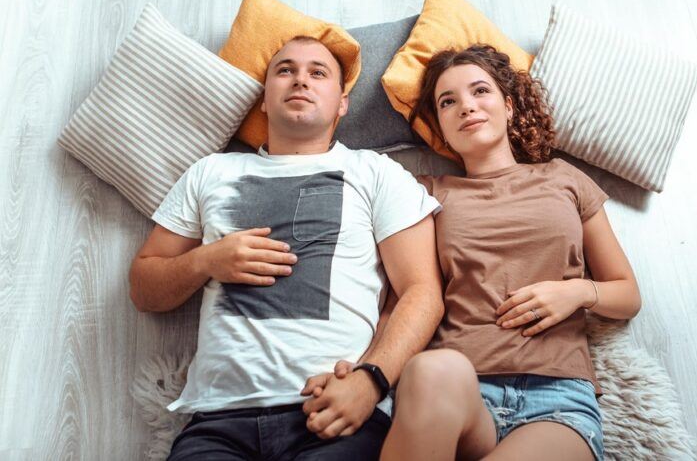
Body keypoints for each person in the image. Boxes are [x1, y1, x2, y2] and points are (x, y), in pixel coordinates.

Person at [314, 44, 641, 460]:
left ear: (508, 107)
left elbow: (627, 294)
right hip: (455, 393)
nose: (467, 107)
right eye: (448, 102)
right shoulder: (423, 192)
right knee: (433, 368)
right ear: (441, 129)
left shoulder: (563, 178)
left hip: (556, 400)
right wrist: (364, 371)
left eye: (480, 92)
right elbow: (404, 298)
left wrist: (577, 292)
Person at [129, 35, 444, 460]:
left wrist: (370, 382)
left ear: (342, 104)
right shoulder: (211, 171)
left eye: (318, 73)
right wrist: (206, 260)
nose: (300, 80)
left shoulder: (376, 173)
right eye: (285, 70)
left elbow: (423, 293)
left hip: (332, 411)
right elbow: (144, 289)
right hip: (218, 422)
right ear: (263, 100)